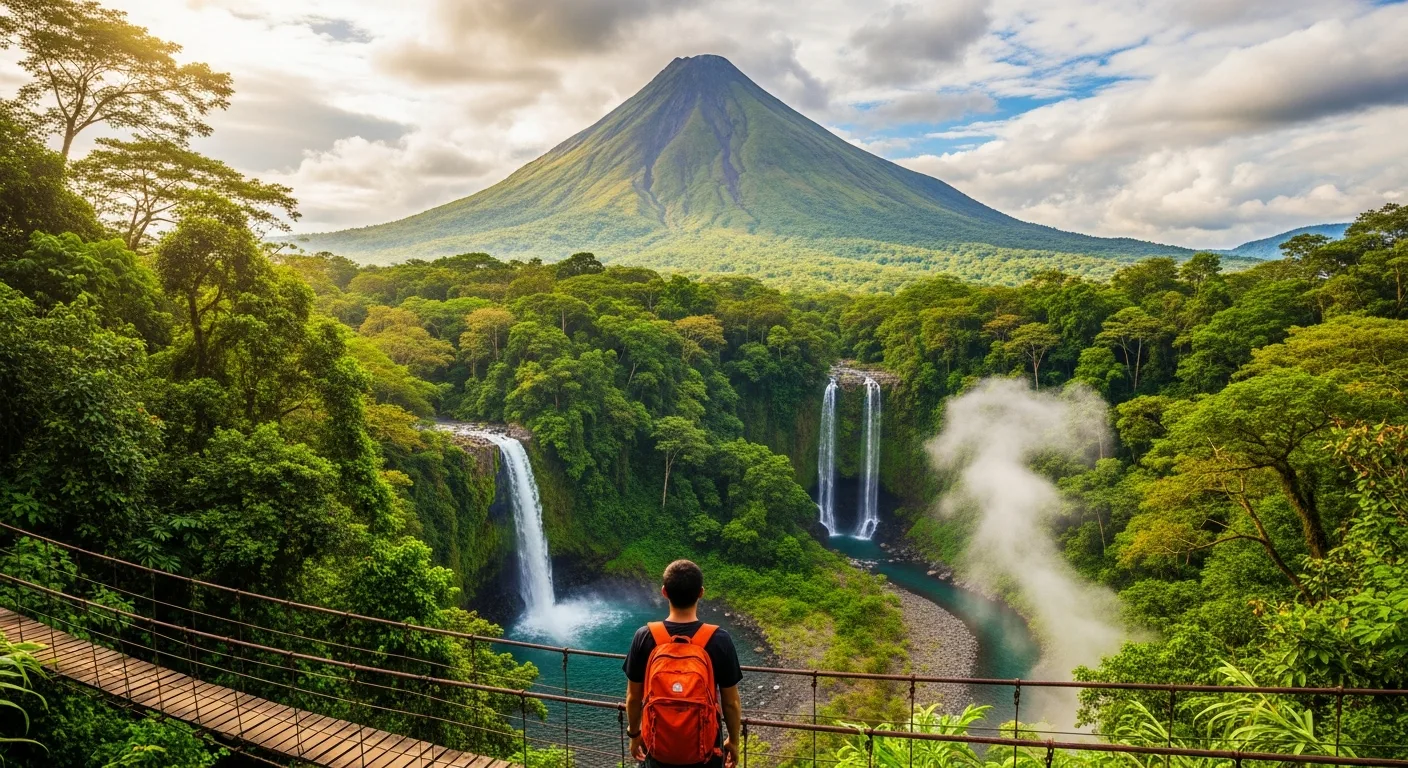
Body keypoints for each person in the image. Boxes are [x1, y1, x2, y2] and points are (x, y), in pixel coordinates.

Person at [624, 560, 743, 768]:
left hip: (657, 747)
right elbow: (731, 702)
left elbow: (633, 697)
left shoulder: (644, 637)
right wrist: (733, 740)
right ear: (701, 593)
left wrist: (634, 734)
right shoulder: (719, 639)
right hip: (704, 750)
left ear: (664, 592)